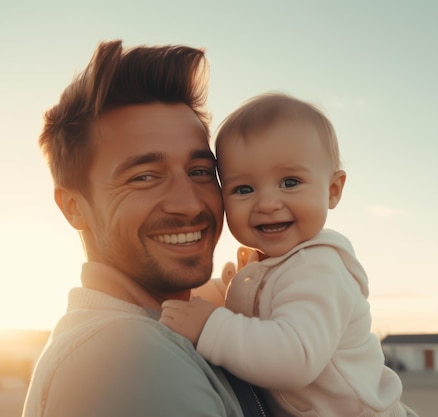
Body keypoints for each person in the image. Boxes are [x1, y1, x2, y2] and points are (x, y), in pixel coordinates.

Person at [22, 40, 271, 417]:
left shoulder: (164, 331)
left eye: (200, 171)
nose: (189, 203)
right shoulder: (126, 355)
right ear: (74, 207)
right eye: (144, 177)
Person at [161, 93, 417, 417]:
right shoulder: (277, 264)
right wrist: (231, 293)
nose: (267, 203)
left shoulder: (317, 267)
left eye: (290, 182)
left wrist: (212, 326)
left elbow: (295, 356)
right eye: (243, 189)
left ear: (333, 190)